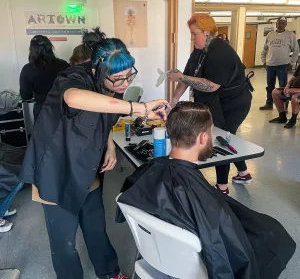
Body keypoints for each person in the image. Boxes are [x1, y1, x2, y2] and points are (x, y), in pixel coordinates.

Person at [19, 28, 168, 279]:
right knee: (64, 240)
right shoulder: (73, 77)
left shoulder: (111, 82)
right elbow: (74, 98)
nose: (123, 84)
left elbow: (104, 116)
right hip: (55, 165)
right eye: (117, 79)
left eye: (128, 76)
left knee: (95, 223)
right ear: (98, 70)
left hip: (86, 161)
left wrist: (108, 145)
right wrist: (137, 108)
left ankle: (109, 272)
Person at [116, 102, 296, 279]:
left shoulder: (146, 172)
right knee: (272, 234)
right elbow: (226, 251)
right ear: (203, 138)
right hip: (192, 269)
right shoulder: (194, 192)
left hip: (158, 255)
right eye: (211, 132)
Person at [168, 13, 252, 195]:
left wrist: (182, 77)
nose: (192, 39)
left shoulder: (220, 51)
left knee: (221, 138)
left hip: (234, 103)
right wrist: (173, 101)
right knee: (229, 137)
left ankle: (222, 187)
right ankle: (243, 172)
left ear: (206, 32)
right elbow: (187, 77)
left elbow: (211, 85)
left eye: (194, 34)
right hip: (217, 101)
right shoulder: (199, 51)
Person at [19, 35, 69, 120]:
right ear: (50, 47)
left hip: (42, 109)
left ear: (32, 50)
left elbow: (26, 95)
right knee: (65, 132)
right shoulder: (64, 64)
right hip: (63, 107)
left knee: (43, 132)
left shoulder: (28, 69)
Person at [260, 16, 299, 110]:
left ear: (285, 24)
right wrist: (264, 61)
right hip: (270, 65)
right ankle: (269, 103)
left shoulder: (290, 35)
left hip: (283, 65)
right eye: (278, 23)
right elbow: (265, 49)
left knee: (283, 86)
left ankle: (284, 105)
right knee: (270, 86)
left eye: (282, 23)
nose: (280, 25)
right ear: (276, 23)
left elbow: (296, 50)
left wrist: (291, 63)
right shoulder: (270, 34)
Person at [269, 63, 300, 128]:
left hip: (297, 91)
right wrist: (287, 86)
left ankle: (293, 120)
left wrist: (297, 90)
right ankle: (282, 117)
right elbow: (293, 77)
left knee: (295, 97)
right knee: (276, 92)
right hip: (293, 89)